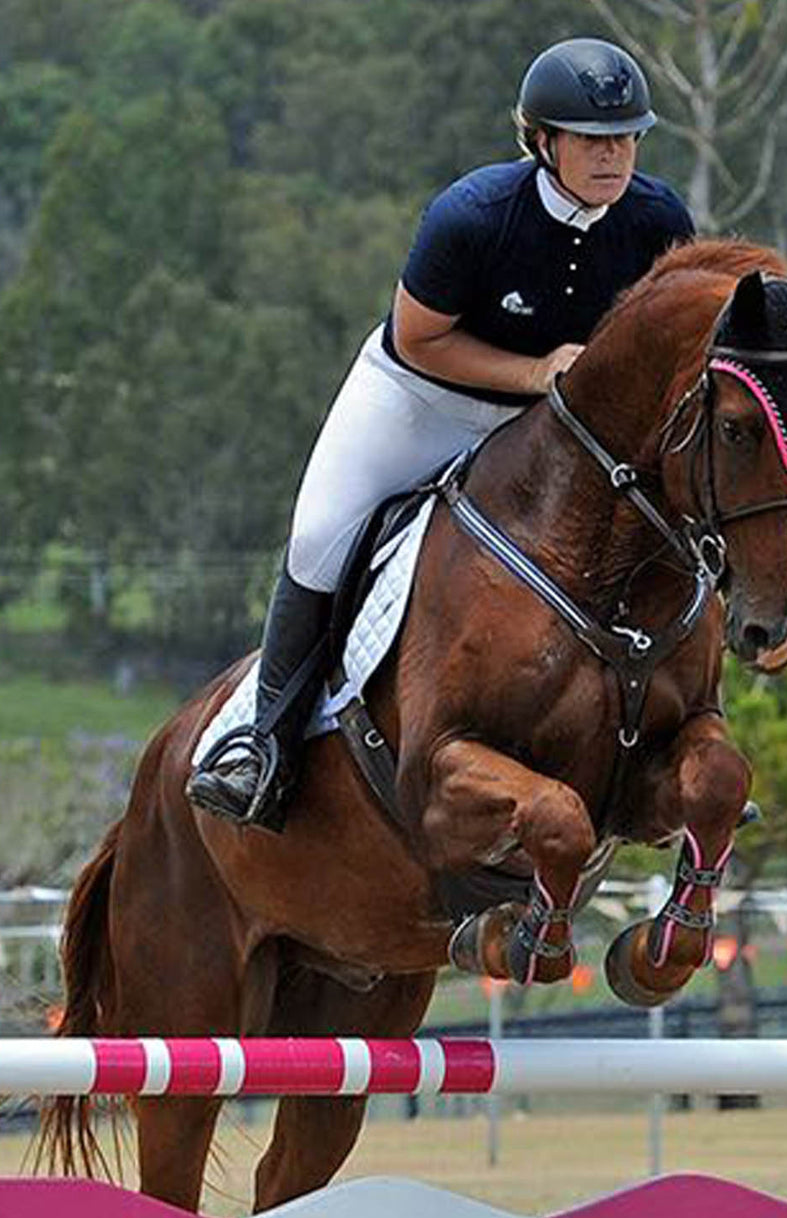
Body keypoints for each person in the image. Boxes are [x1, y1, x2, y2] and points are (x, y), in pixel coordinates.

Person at [187, 36, 695, 831]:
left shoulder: (659, 218)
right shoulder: (474, 214)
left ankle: (657, 745)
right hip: (418, 401)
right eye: (594, 140)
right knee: (321, 536)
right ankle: (266, 743)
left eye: (627, 138)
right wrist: (536, 373)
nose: (614, 156)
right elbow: (421, 337)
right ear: (543, 140)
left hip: (548, 431)